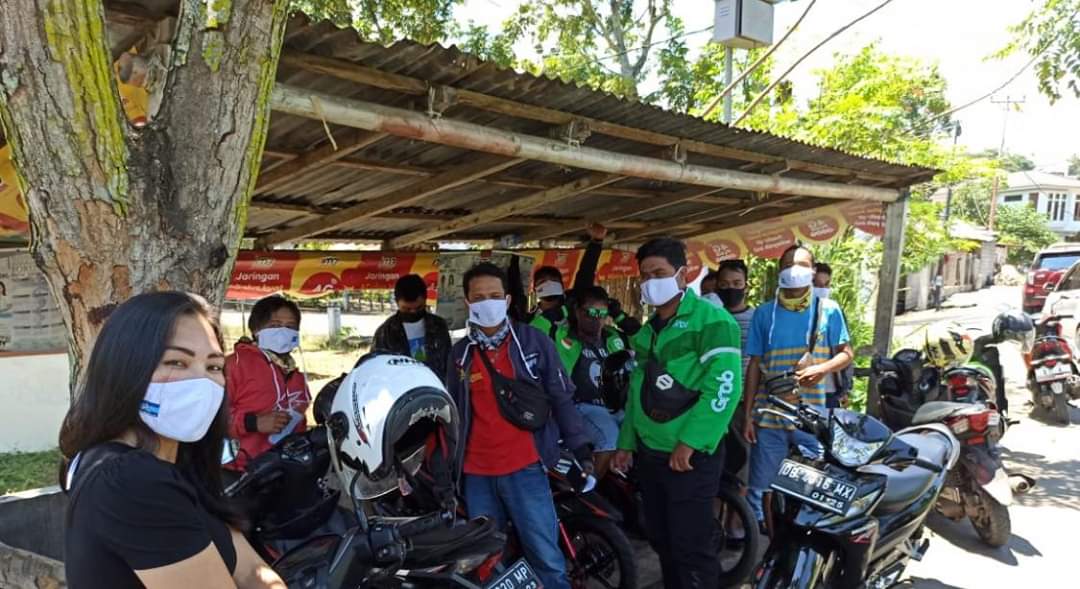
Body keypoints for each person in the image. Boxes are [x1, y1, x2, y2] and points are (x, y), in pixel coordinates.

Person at [60, 291, 284, 589]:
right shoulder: (131, 480)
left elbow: (252, 572)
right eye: (177, 362)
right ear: (126, 368)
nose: (202, 382)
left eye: (214, 367)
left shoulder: (177, 466)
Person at [448, 262, 594, 589]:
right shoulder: (460, 354)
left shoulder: (533, 342)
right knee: (487, 562)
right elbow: (452, 413)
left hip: (526, 468)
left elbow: (561, 397)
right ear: (468, 302)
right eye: (479, 297)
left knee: (546, 557)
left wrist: (581, 449)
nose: (487, 302)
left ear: (508, 300)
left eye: (494, 295)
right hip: (477, 475)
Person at [612, 237, 743, 589]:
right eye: (645, 275)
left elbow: (724, 387)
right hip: (650, 453)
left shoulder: (713, 321)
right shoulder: (647, 332)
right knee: (662, 540)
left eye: (659, 273)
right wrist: (626, 442)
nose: (650, 281)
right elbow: (637, 391)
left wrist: (690, 442)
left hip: (689, 458)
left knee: (692, 547)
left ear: (682, 275)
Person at [743, 245, 852, 528]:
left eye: (802, 264)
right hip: (770, 414)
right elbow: (754, 365)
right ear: (779, 271)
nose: (794, 269)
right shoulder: (764, 314)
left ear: (813, 271)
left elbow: (846, 354)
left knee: (814, 485)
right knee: (763, 488)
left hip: (813, 417)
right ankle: (769, 539)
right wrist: (748, 415)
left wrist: (821, 369)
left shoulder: (828, 310)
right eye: (788, 264)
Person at [226, 295, 310, 471]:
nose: (283, 332)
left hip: (284, 469)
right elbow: (209, 418)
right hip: (239, 470)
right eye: (275, 325)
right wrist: (253, 423)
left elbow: (300, 420)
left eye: (290, 327)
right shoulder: (235, 365)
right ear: (256, 329)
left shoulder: (296, 375)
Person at [554, 285, 628, 477]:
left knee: (643, 435)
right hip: (581, 407)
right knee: (610, 439)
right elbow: (539, 325)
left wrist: (619, 316)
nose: (597, 318)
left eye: (602, 313)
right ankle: (590, 489)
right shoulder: (563, 337)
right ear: (577, 311)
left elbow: (641, 337)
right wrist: (565, 308)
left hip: (616, 408)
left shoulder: (613, 337)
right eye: (591, 312)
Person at [529, 223, 607, 338]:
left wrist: (596, 242)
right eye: (542, 282)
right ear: (535, 289)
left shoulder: (573, 303)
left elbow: (586, 272)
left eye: (553, 281)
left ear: (561, 286)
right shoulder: (529, 318)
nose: (548, 285)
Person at [373, 273, 452, 380]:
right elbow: (376, 368)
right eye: (406, 309)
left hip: (436, 386)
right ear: (397, 302)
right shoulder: (385, 332)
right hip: (402, 387)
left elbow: (449, 362)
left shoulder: (438, 326)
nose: (413, 312)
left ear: (425, 299)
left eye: (419, 308)